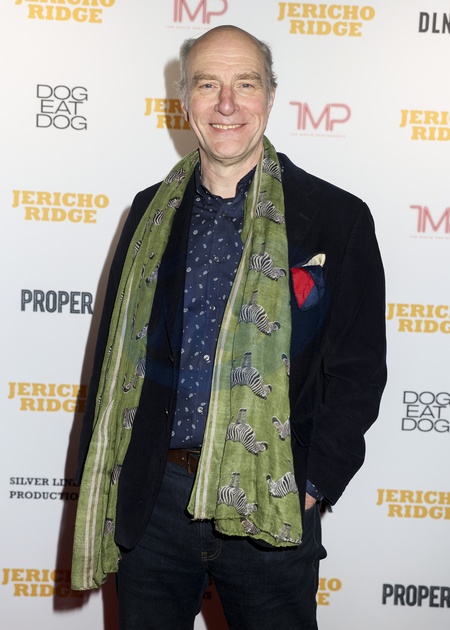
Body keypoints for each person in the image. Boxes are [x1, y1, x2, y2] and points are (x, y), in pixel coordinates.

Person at [71, 25, 387, 630]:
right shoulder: (148, 211)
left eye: (245, 84)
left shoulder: (336, 218)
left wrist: (314, 483)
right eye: (207, 84)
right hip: (156, 502)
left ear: (270, 95)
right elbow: (115, 355)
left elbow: (359, 369)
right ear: (184, 99)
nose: (226, 104)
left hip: (273, 499)